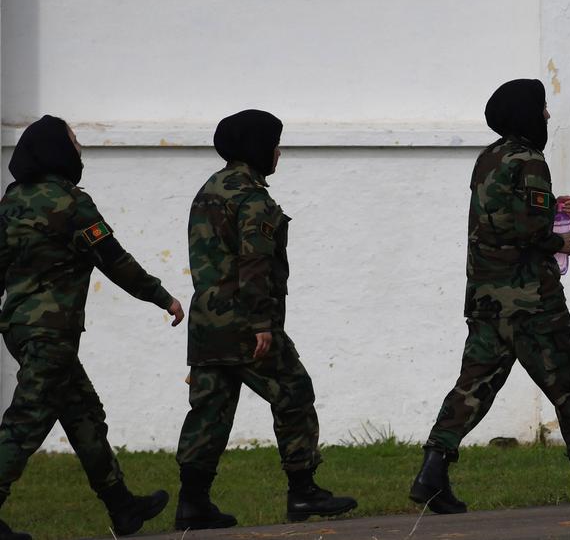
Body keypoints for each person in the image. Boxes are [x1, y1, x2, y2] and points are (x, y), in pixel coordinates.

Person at [410, 79, 570, 513]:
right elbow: (528, 230)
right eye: (543, 108)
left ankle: (433, 470)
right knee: (568, 382)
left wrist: (552, 209)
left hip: (485, 297)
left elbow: (499, 218)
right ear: (526, 114)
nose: (548, 116)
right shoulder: (531, 160)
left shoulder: (487, 159)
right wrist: (560, 242)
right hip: (531, 300)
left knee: (474, 385)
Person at [0, 115, 184, 539]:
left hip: (20, 330)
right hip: (52, 335)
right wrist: (162, 297)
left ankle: (122, 507)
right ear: (57, 150)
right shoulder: (72, 203)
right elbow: (115, 260)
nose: (81, 148)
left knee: (83, 414)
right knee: (26, 422)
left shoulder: (10, 203)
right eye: (75, 140)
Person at [174, 110, 357, 530]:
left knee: (209, 412)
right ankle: (304, 492)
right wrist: (261, 323)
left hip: (206, 324)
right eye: (274, 143)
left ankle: (192, 501)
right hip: (245, 321)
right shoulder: (252, 197)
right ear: (258, 147)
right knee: (293, 392)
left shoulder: (209, 190)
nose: (279, 151)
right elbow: (254, 263)